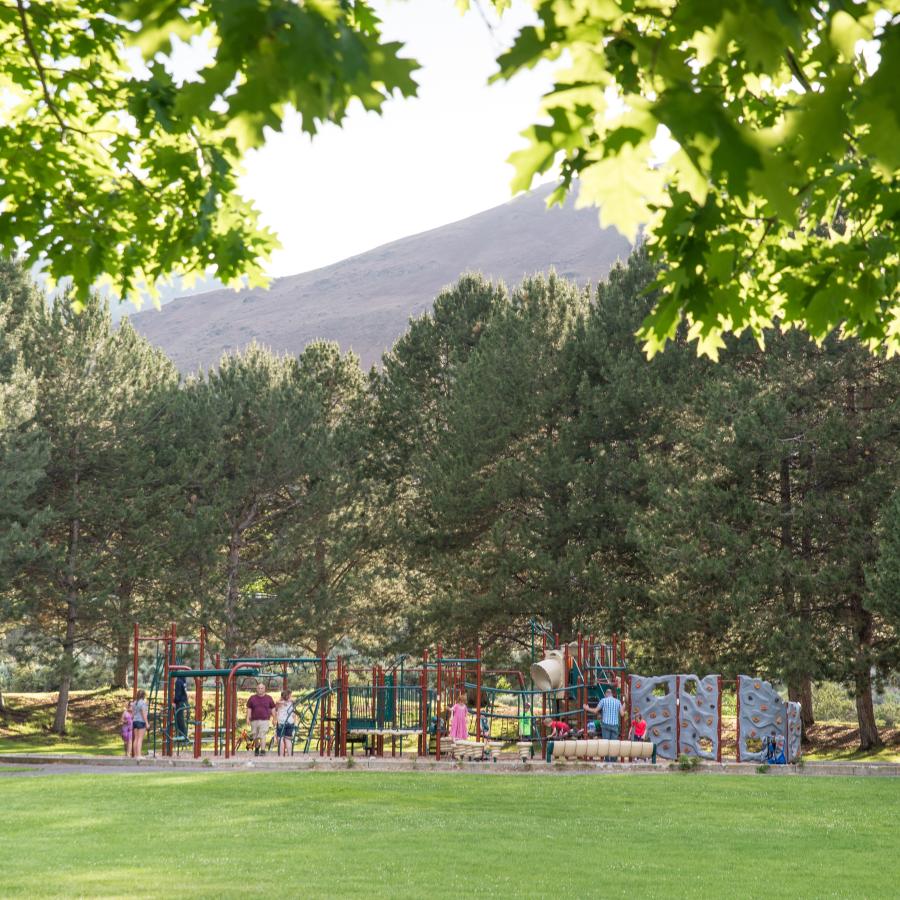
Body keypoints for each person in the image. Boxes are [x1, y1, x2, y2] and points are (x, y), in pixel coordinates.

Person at [584, 688, 622, 761]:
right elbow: (622, 714)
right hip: (615, 725)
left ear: (606, 694)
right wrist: (623, 707)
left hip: (606, 725)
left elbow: (595, 711)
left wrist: (587, 708)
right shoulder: (618, 702)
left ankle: (607, 760)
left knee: (606, 744)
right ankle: (614, 760)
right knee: (614, 744)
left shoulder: (603, 700)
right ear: (612, 694)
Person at [246, 682, 276, 756]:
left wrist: (274, 718)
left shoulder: (269, 698)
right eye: (259, 688)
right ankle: (257, 747)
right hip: (254, 720)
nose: (260, 689)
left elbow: (273, 708)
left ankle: (263, 750)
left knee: (262, 735)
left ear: (264, 689)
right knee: (254, 736)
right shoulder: (252, 698)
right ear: (256, 689)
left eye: (262, 688)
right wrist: (247, 718)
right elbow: (249, 709)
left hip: (264, 720)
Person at [275, 689, 296, 756]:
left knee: (280, 738)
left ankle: (281, 755)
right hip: (290, 722)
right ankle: (290, 755)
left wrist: (282, 700)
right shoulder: (292, 702)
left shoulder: (279, 703)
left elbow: (276, 705)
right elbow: (294, 701)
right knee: (288, 739)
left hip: (281, 722)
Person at [132, 690, 149, 758]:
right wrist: (147, 723)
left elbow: (133, 714)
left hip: (135, 721)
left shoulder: (134, 703)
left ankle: (136, 755)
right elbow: (143, 714)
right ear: (143, 696)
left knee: (136, 738)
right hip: (141, 721)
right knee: (140, 739)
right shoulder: (142, 703)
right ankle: (139, 755)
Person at [173, 675, 189, 740]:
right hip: (185, 702)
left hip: (180, 703)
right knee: (182, 720)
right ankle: (183, 735)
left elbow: (178, 695)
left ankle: (182, 736)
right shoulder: (183, 681)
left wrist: (174, 701)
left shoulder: (178, 682)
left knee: (180, 720)